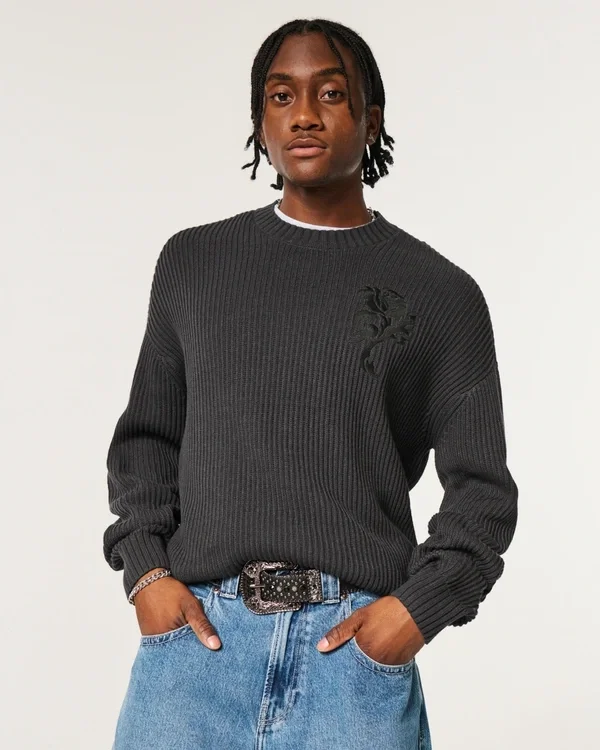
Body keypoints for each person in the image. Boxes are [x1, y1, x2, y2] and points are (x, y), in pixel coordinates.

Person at [103, 18, 518, 750]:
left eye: (329, 93)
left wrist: (414, 613)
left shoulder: (439, 294)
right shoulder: (194, 265)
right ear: (259, 120)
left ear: (371, 118)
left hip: (351, 661)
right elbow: (147, 442)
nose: (303, 115)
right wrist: (147, 575)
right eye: (280, 96)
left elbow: (482, 494)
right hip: (194, 655)